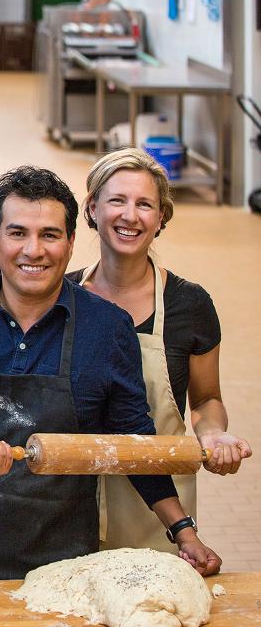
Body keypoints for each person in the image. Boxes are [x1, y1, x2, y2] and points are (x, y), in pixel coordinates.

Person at [0, 165, 221, 581]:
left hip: (66, 556)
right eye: (17, 232)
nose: (33, 250)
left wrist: (183, 531)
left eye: (49, 234)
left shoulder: (107, 327)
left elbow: (131, 439)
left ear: (71, 241)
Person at [70, 148, 252, 553]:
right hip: (68, 502)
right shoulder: (63, 299)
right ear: (93, 208)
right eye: (117, 200)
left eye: (145, 204)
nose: (130, 216)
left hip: (159, 514)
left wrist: (214, 433)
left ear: (161, 218)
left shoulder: (191, 305)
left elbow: (206, 398)